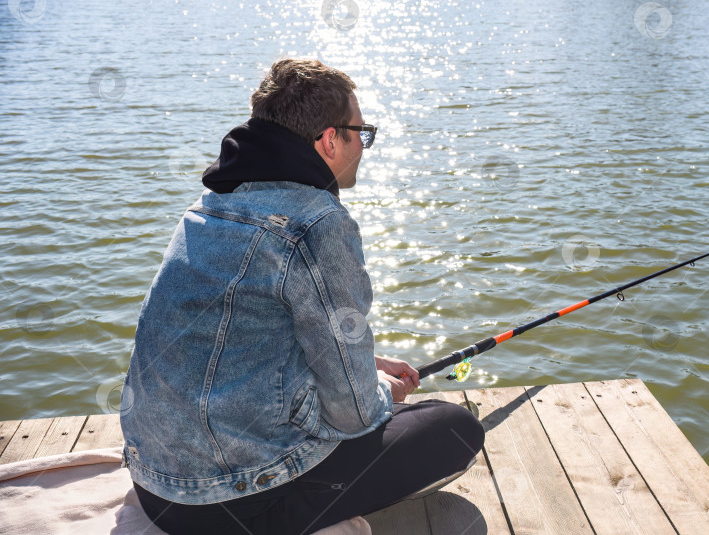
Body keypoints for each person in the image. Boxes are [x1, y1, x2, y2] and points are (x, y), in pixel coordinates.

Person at [120, 58, 485, 534]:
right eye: (361, 132)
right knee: (451, 426)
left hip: (155, 485)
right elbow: (354, 414)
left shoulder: (208, 205)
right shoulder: (317, 223)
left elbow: (232, 344)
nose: (364, 145)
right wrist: (381, 393)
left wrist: (365, 366)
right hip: (226, 505)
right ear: (330, 139)